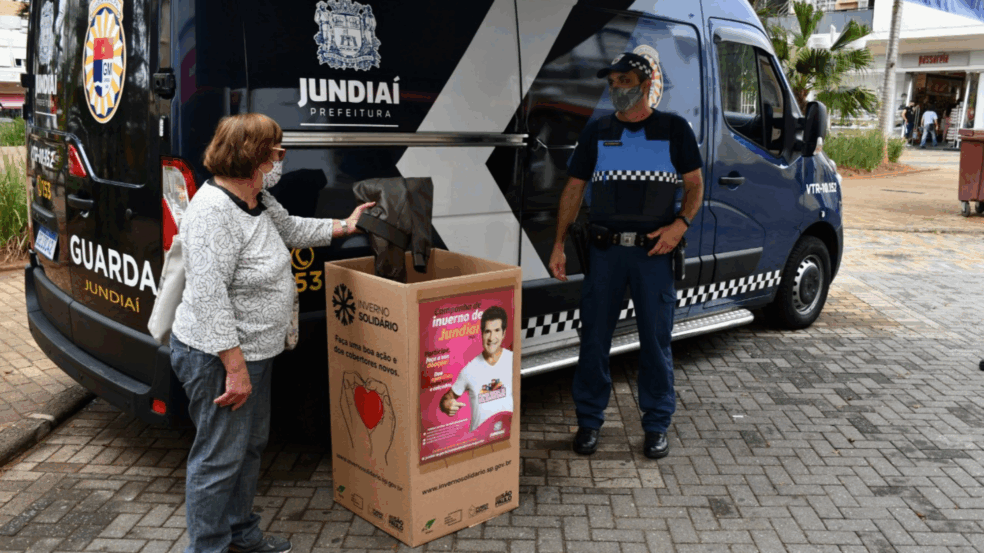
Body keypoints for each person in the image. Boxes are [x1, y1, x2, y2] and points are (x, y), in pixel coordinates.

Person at [170, 113, 375, 553]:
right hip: (218, 357)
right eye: (277, 152)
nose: (283, 159)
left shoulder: (256, 199)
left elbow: (294, 229)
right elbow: (209, 299)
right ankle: (207, 548)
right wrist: (234, 367)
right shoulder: (212, 213)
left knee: (248, 448)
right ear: (253, 156)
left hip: (254, 353)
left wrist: (347, 225)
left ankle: (241, 534)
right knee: (218, 459)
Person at [548, 53, 703, 460]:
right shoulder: (597, 131)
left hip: (654, 254)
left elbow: (695, 186)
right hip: (605, 254)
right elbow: (573, 189)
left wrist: (679, 226)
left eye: (625, 80)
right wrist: (559, 244)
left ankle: (655, 426)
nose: (617, 88)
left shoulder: (674, 129)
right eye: (612, 82)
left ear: (646, 82)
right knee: (594, 340)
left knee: (655, 342)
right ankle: (589, 422)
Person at [439, 306, 514, 432]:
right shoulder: (469, 369)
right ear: (482, 334)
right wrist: (447, 404)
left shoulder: (513, 360)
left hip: (505, 434)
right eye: (487, 331)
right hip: (478, 439)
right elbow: (447, 398)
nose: (491, 338)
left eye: (496, 330)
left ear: (503, 333)